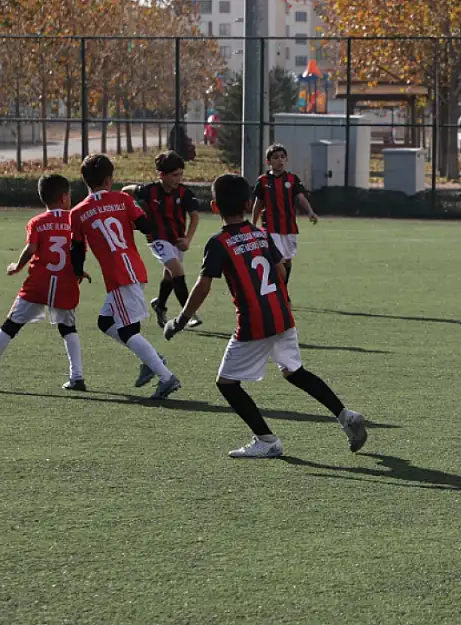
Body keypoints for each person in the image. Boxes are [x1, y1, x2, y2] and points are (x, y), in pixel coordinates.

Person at [164, 173, 367, 459]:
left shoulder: (219, 242)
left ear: (214, 206)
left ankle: (267, 440)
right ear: (249, 204)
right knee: (295, 372)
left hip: (253, 324)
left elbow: (203, 286)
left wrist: (181, 320)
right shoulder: (261, 235)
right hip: (282, 316)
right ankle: (346, 415)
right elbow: (281, 272)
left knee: (227, 384)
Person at [69, 154, 181, 399]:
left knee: (129, 330)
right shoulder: (122, 199)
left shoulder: (77, 212)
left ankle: (165, 376)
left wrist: (77, 271)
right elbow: (146, 225)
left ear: (85, 180)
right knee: (105, 323)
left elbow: (76, 249)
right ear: (110, 179)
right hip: (132, 269)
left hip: (119, 276)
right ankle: (151, 360)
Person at [0, 174, 89, 390]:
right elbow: (78, 251)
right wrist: (79, 272)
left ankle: (77, 377)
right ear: (65, 197)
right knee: (68, 329)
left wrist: (17, 267)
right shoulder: (75, 221)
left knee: (10, 327)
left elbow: (31, 249)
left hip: (38, 284)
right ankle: (77, 377)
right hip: (65, 284)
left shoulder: (37, 222)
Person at [122, 150, 203, 329]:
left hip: (176, 240)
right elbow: (126, 191)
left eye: (181, 174)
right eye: (175, 175)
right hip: (156, 238)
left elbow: (195, 216)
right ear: (162, 175)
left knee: (170, 275)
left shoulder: (184, 193)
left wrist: (188, 240)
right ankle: (188, 315)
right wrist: (128, 211)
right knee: (177, 271)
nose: (178, 178)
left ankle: (160, 305)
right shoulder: (148, 191)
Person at [251, 144, 319, 289]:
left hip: (289, 227)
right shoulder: (263, 181)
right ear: (268, 162)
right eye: (275, 158)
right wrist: (253, 223)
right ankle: (279, 291)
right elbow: (258, 204)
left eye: (282, 157)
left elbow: (300, 198)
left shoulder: (292, 179)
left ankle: (283, 288)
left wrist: (310, 212)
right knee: (277, 260)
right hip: (271, 227)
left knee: (287, 261)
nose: (280, 160)